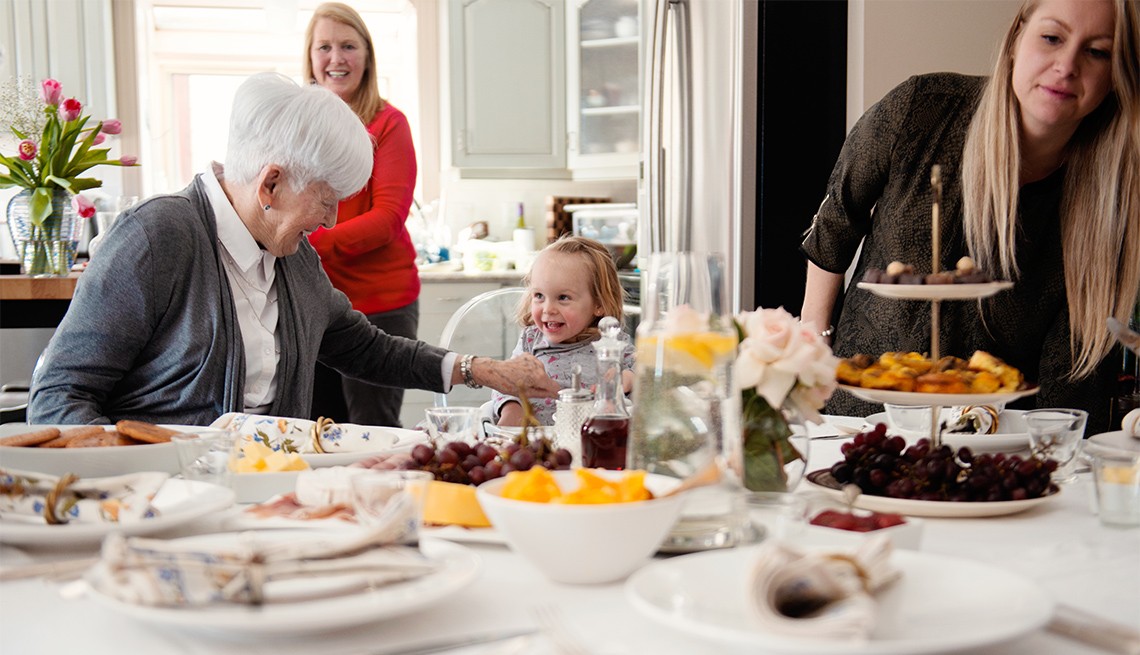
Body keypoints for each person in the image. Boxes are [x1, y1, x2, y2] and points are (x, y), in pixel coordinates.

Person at [27, 72, 560, 426]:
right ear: (271, 184)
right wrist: (143, 477)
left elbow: (366, 348)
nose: (331, 219)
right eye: (327, 200)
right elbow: (57, 399)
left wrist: (481, 369)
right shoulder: (158, 237)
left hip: (265, 495)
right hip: (165, 503)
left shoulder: (293, 258)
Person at [800, 0, 1140, 433]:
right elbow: (836, 221)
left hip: (993, 446)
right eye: (1052, 38)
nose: (1067, 66)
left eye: (1098, 51)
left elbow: (1073, 372)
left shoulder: (1113, 194)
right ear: (1017, 38)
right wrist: (814, 344)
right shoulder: (922, 109)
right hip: (859, 424)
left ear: (1116, 74)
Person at [303, 2, 421, 427]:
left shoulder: (389, 124)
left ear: (367, 56)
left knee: (373, 433)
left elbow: (387, 219)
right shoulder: (296, 124)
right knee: (313, 430)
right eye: (325, 47)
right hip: (313, 302)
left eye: (348, 46)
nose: (336, 59)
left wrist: (302, 245)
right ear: (311, 57)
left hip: (380, 305)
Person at [493, 236, 635, 426]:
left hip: (591, 441)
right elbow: (504, 382)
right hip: (536, 442)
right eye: (539, 296)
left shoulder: (613, 343)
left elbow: (648, 371)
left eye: (563, 297)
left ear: (598, 303)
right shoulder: (531, 340)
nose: (548, 309)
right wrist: (512, 409)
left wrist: (628, 378)